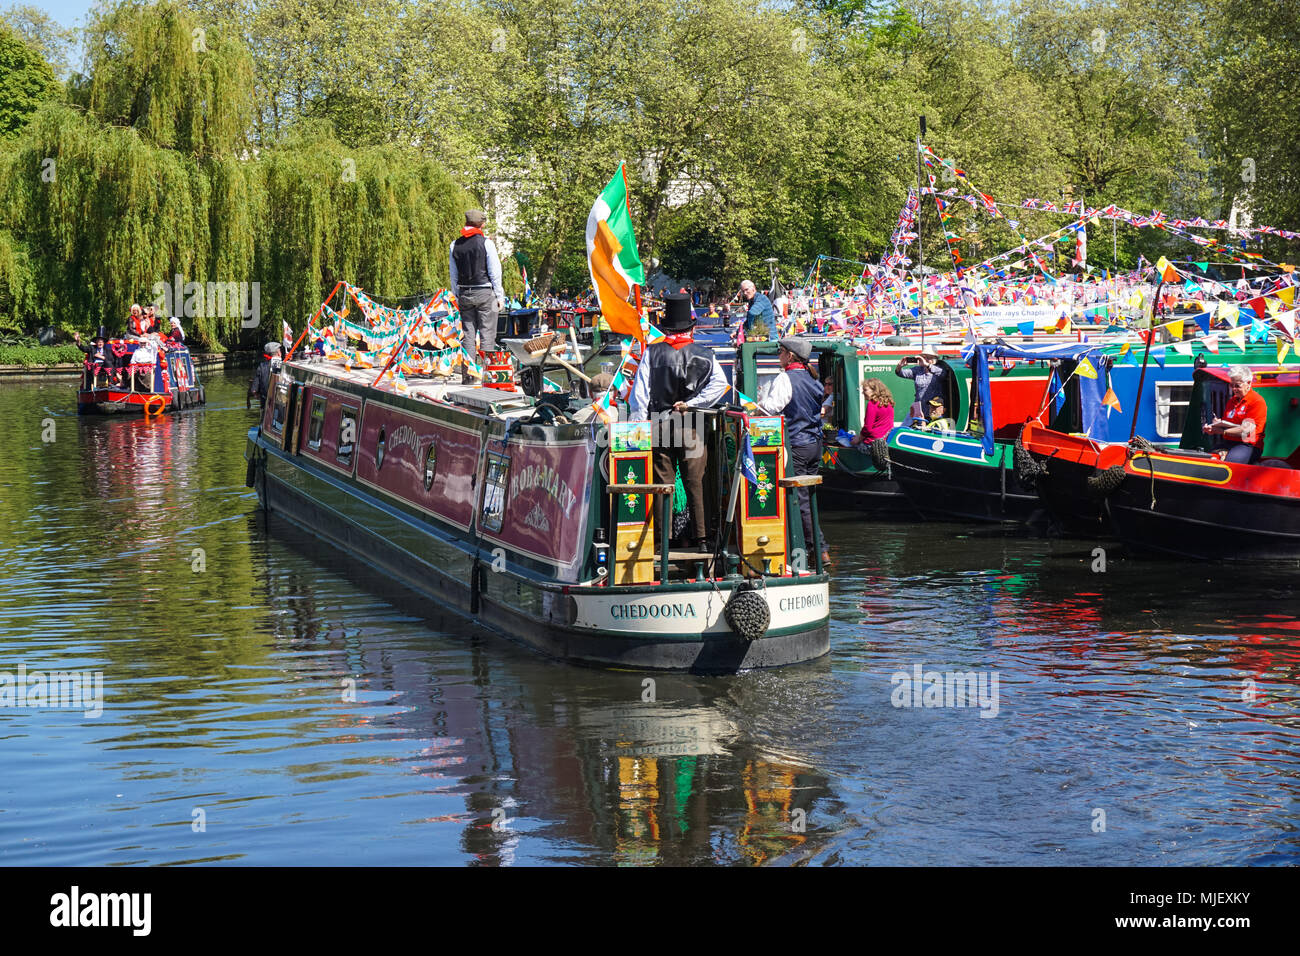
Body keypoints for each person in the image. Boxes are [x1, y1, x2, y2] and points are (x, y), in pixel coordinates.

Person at [629, 292, 728, 551]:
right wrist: (694, 403)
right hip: (691, 425)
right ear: (692, 327)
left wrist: (638, 427)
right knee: (696, 483)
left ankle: (663, 543)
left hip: (659, 425)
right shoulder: (705, 353)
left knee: (664, 483)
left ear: (665, 325)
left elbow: (639, 397)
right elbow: (721, 385)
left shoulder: (652, 353)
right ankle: (703, 541)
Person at [758, 337, 828, 564]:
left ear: (790, 355)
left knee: (800, 500)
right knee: (808, 499)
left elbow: (770, 409)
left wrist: (755, 404)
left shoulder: (785, 378)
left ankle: (815, 549)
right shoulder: (813, 380)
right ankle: (817, 549)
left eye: (780, 352)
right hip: (814, 444)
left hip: (796, 444)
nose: (778, 356)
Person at [449, 208, 504, 381]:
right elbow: (495, 272)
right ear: (482, 224)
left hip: (464, 292)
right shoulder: (486, 243)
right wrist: (499, 296)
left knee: (468, 335)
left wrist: (456, 295)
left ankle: (468, 377)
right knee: (488, 334)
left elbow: (454, 274)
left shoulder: (454, 245)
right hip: (485, 292)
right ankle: (489, 377)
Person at [1203, 365, 1266, 463]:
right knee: (1207, 458)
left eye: (1237, 386)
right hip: (1229, 442)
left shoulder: (1257, 401)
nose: (1233, 389)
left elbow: (1247, 430)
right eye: (1231, 385)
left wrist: (1221, 431)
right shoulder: (1232, 401)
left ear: (1248, 383)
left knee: (1231, 463)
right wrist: (1214, 425)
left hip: (1248, 445)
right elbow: (1227, 423)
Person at [895, 348, 948, 420]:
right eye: (923, 357)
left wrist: (927, 365)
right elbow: (900, 373)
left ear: (934, 359)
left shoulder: (939, 369)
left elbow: (943, 374)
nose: (925, 359)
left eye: (928, 357)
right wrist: (899, 366)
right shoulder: (918, 370)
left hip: (934, 409)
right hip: (919, 409)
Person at [851, 377, 896, 446]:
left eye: (865, 390)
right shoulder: (889, 403)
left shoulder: (872, 404)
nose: (863, 392)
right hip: (886, 443)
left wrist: (858, 439)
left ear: (875, 390)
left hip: (873, 444)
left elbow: (867, 428)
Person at [248, 342, 281, 410]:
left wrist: (257, 395)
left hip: (266, 406)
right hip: (280, 406)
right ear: (278, 353)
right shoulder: (284, 365)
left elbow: (254, 390)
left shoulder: (262, 366)